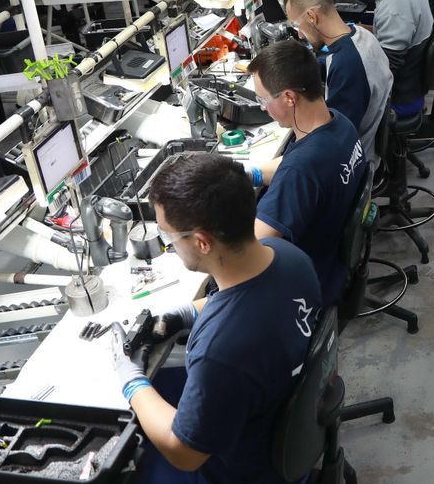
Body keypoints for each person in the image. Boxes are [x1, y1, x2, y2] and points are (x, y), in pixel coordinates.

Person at [110, 153, 320, 484]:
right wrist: (184, 314)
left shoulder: (221, 352)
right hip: (281, 423)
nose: (169, 246)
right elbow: (243, 298)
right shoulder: (290, 258)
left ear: (202, 241)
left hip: (239, 472)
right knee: (164, 381)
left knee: (116, 450)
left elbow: (185, 454)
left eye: (169, 237)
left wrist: (131, 379)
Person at [248, 39, 367, 306]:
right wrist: (249, 173)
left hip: (303, 288)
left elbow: (249, 252)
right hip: (332, 265)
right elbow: (292, 164)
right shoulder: (338, 123)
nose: (261, 107)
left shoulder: (300, 171)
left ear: (289, 97)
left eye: (263, 99)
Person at [283, 0, 392, 162]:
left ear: (312, 17)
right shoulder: (360, 35)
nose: (300, 35)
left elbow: (334, 140)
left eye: (296, 26)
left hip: (353, 163)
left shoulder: (347, 66)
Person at [348, 0, 434, 119]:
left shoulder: (395, 1)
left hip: (401, 97)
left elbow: (387, 68)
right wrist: (362, 32)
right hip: (413, 82)